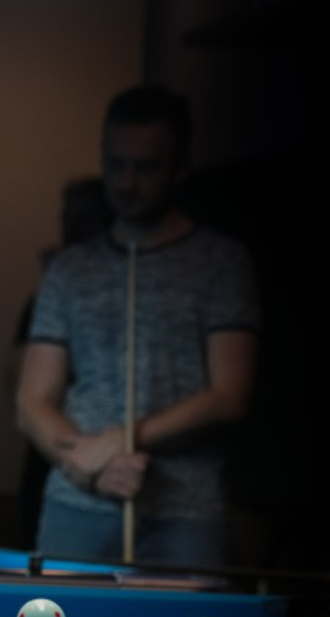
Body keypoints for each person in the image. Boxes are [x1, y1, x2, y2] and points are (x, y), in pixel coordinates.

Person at [16, 85, 261, 567]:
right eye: (116, 165)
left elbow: (230, 395)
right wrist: (86, 465)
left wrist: (126, 437)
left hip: (186, 510)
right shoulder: (70, 270)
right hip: (77, 507)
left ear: (180, 167)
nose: (127, 182)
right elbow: (32, 402)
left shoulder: (221, 263)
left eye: (146, 168)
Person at [6, 177, 113, 550]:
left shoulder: (127, 293)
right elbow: (16, 384)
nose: (73, 229)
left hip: (122, 466)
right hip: (52, 464)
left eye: (85, 218)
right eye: (68, 218)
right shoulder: (54, 288)